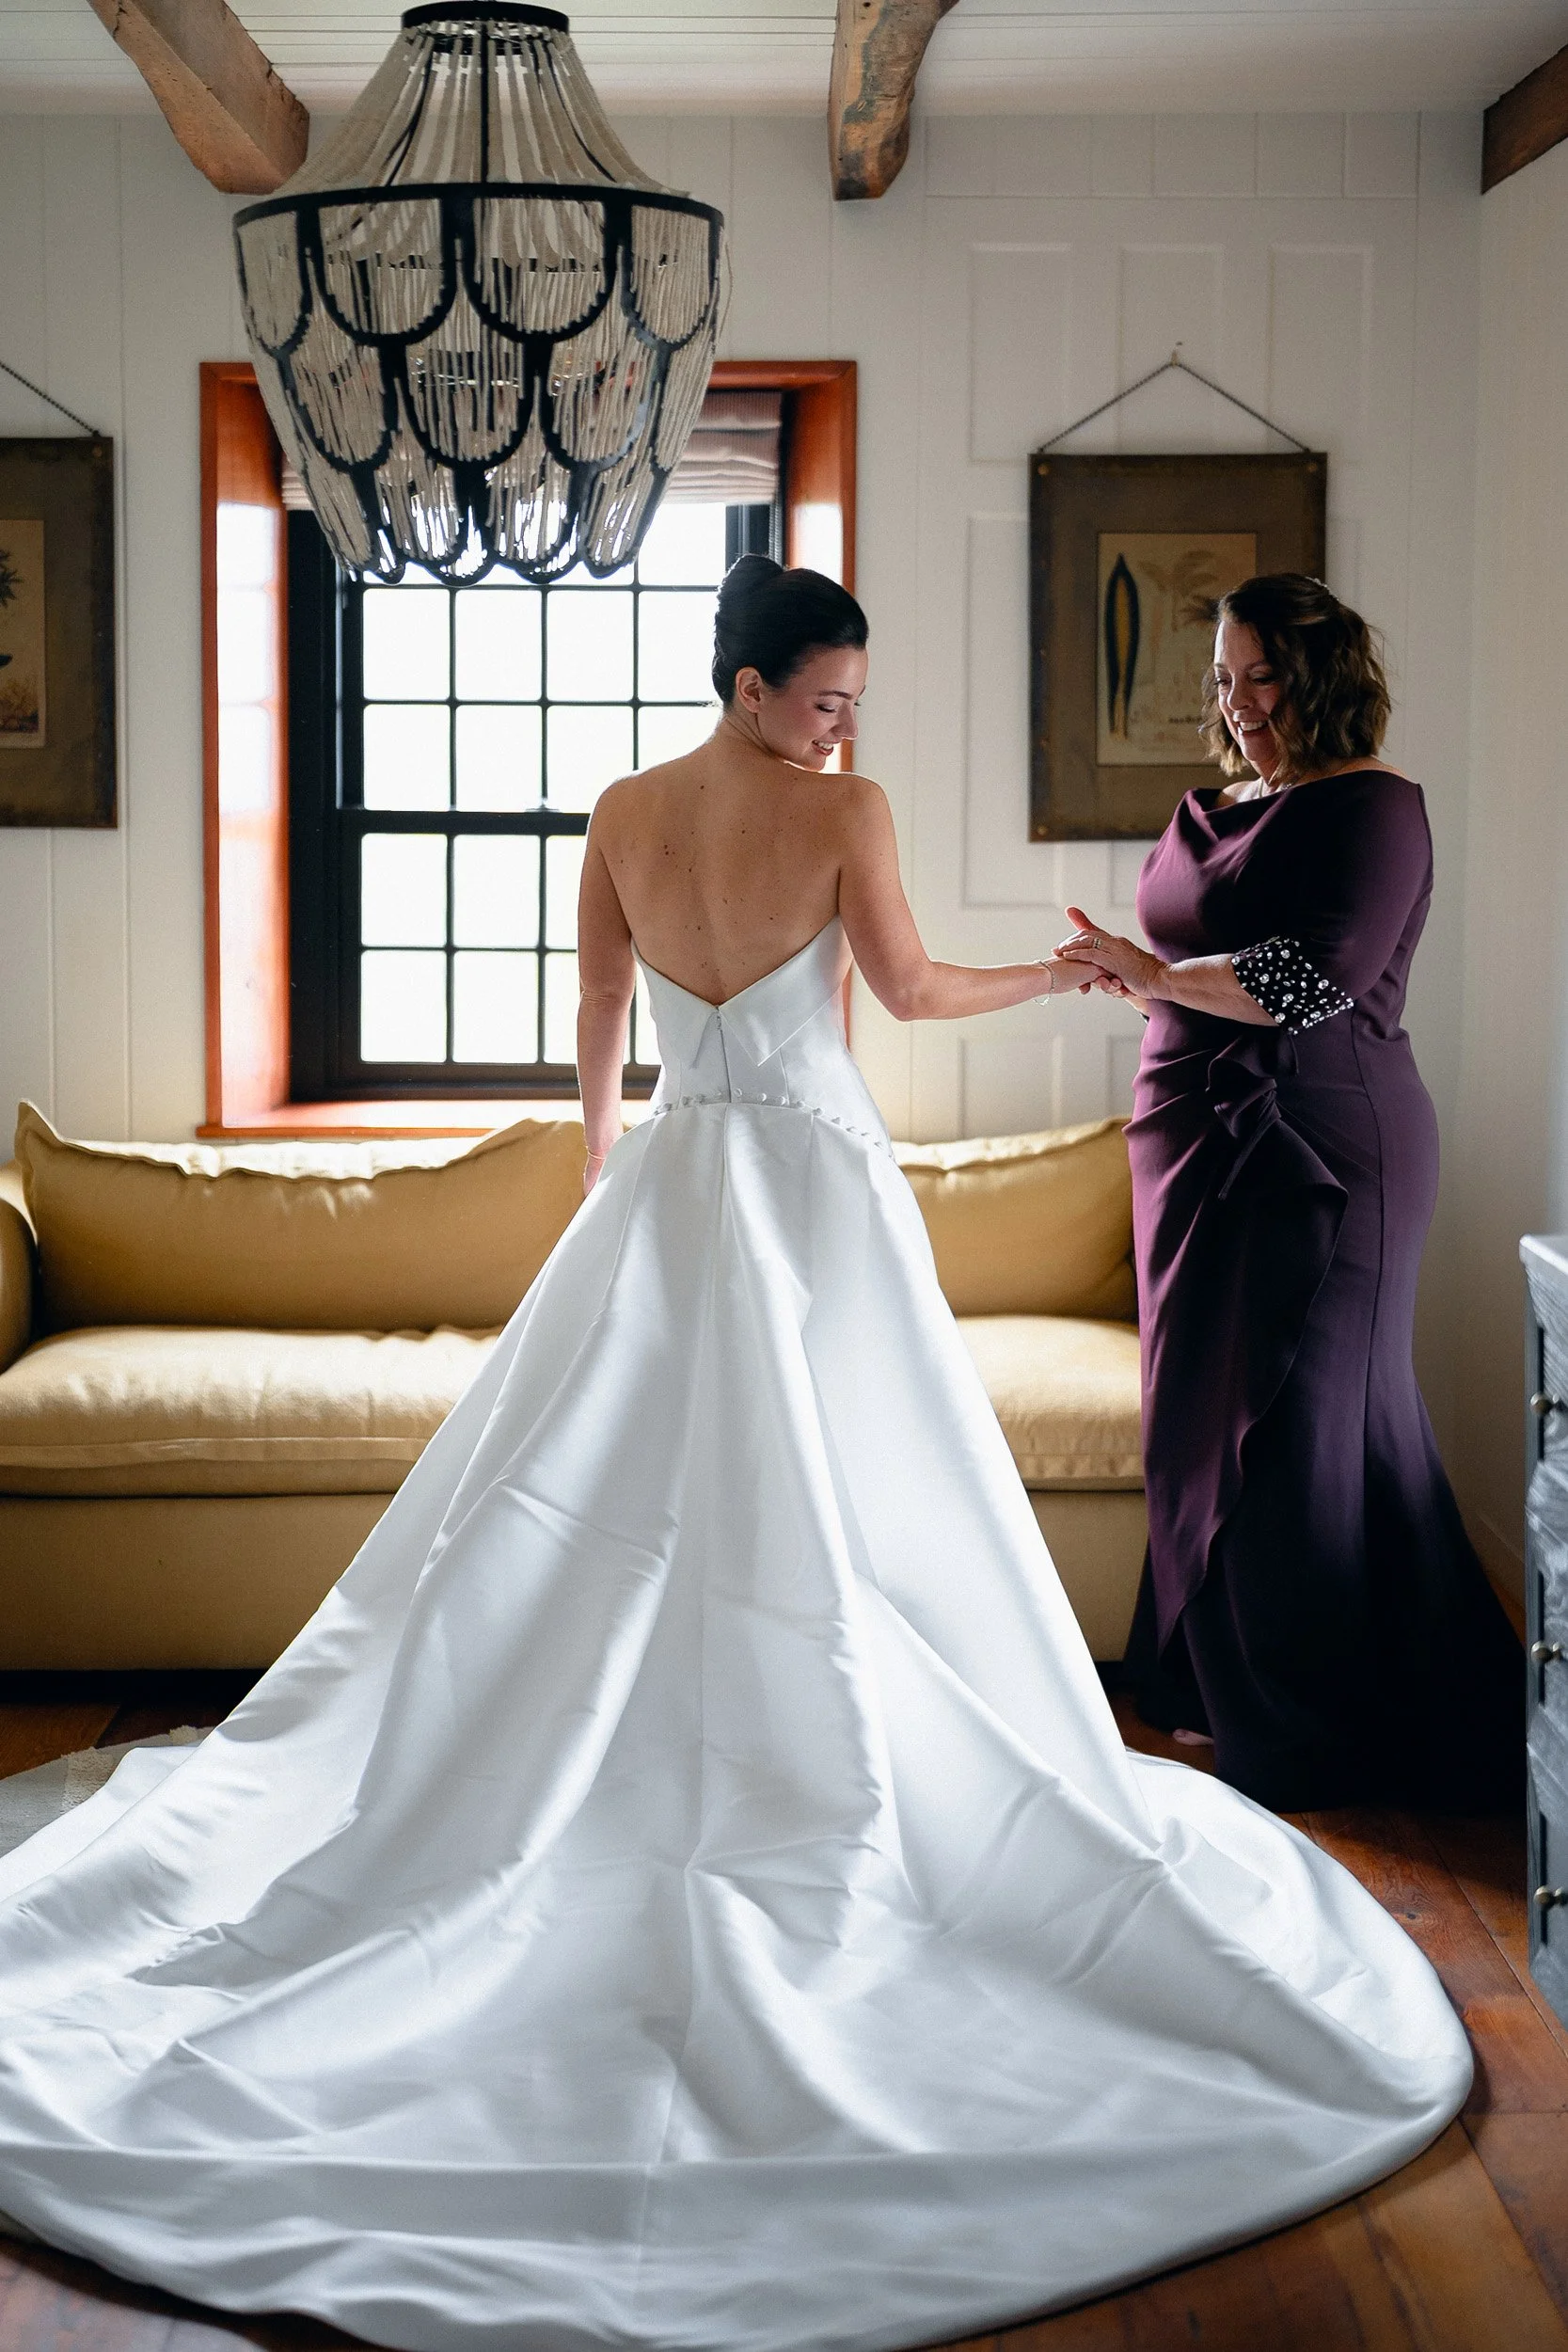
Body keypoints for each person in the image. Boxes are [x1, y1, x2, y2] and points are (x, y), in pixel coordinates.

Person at [0, 557, 1469, 2352]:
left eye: (855, 701)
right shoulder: (841, 813)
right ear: (753, 684)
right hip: (810, 1182)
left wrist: (614, 1169)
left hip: (685, 1180)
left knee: (675, 1493)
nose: (850, 724)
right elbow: (910, 999)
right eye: (830, 694)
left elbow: (602, 1026)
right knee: (798, 1490)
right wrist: (1075, 971)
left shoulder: (623, 813)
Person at [1057, 571, 1521, 1813]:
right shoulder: (1216, 803)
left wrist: (1146, 971)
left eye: (1260, 674)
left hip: (1319, 1148)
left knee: (1304, 1432)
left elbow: (1307, 983)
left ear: (1321, 674)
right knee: (1195, 1426)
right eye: (1221, 676)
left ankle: (1330, 1729)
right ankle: (1217, 1690)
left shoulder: (1374, 811)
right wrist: (1145, 977)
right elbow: (1193, 959)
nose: (1238, 699)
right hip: (1188, 1147)